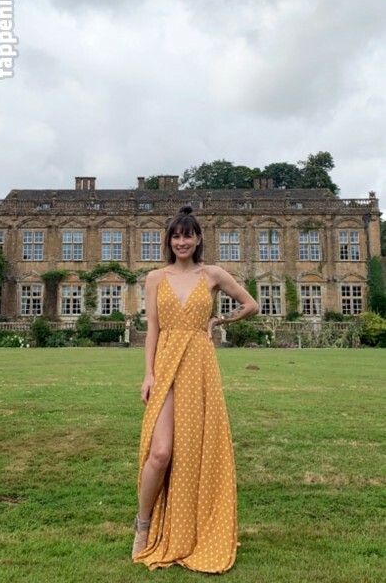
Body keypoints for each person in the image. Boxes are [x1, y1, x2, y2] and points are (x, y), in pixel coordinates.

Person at [132, 206, 259, 572]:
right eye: (176, 236)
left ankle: (189, 526)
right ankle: (143, 524)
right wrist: (148, 374)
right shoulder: (155, 277)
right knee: (160, 452)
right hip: (166, 363)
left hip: (200, 365)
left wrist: (219, 320)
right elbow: (152, 329)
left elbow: (250, 304)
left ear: (199, 239)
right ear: (169, 241)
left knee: (193, 450)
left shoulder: (213, 274)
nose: (182, 242)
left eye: (188, 235)